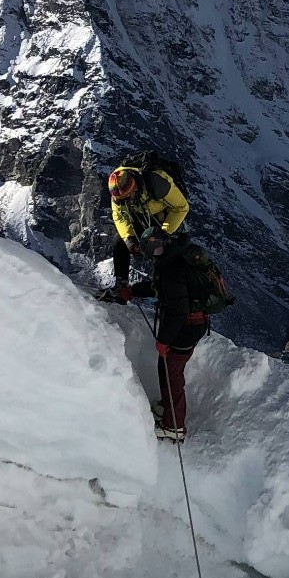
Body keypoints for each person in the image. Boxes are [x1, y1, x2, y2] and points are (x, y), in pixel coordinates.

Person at [102, 153, 208, 441]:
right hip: (192, 317)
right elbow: (120, 217)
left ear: (135, 183)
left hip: (165, 225)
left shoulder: (158, 184)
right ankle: (122, 285)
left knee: (171, 367)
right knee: (120, 245)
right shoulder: (119, 192)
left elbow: (181, 207)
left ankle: (174, 426)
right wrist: (131, 241)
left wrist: (161, 235)